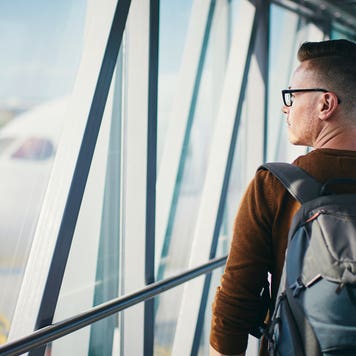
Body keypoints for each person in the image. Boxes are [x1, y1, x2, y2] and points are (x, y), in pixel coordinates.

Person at [209, 38, 356, 356]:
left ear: (325, 104)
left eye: (292, 95)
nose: (284, 107)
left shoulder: (275, 185)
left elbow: (234, 306)